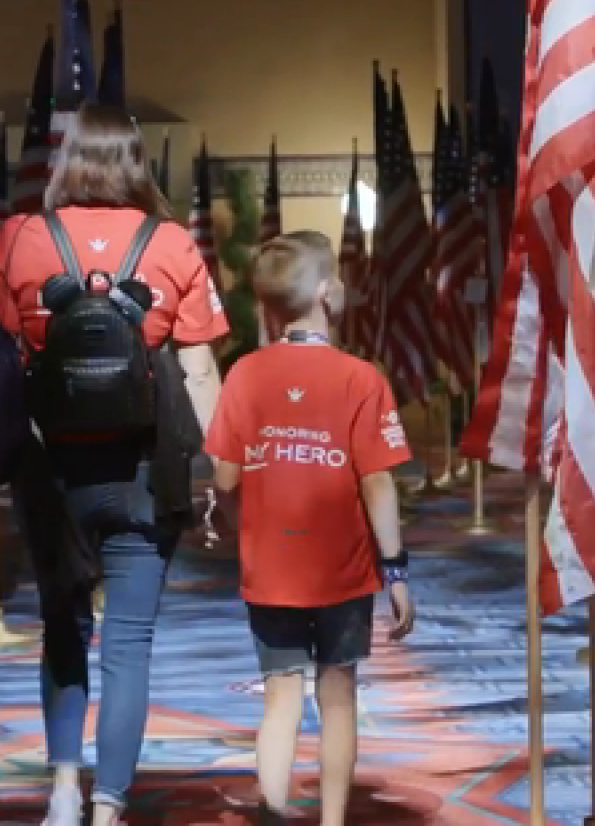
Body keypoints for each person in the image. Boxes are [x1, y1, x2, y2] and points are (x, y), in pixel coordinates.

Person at [0, 102, 227, 826]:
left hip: (52, 475)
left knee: (62, 627)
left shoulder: (21, 238)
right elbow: (202, 371)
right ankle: (111, 801)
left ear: (66, 162)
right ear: (136, 163)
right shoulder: (173, 243)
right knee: (129, 642)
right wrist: (214, 474)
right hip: (145, 473)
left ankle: (62, 787)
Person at [205, 231, 415, 826]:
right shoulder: (360, 378)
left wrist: (223, 515)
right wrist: (395, 571)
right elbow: (378, 483)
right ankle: (331, 820)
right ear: (326, 293)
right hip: (343, 572)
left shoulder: (244, 374)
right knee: (339, 693)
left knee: (279, 695)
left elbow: (224, 475)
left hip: (269, 570)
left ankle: (271, 811)